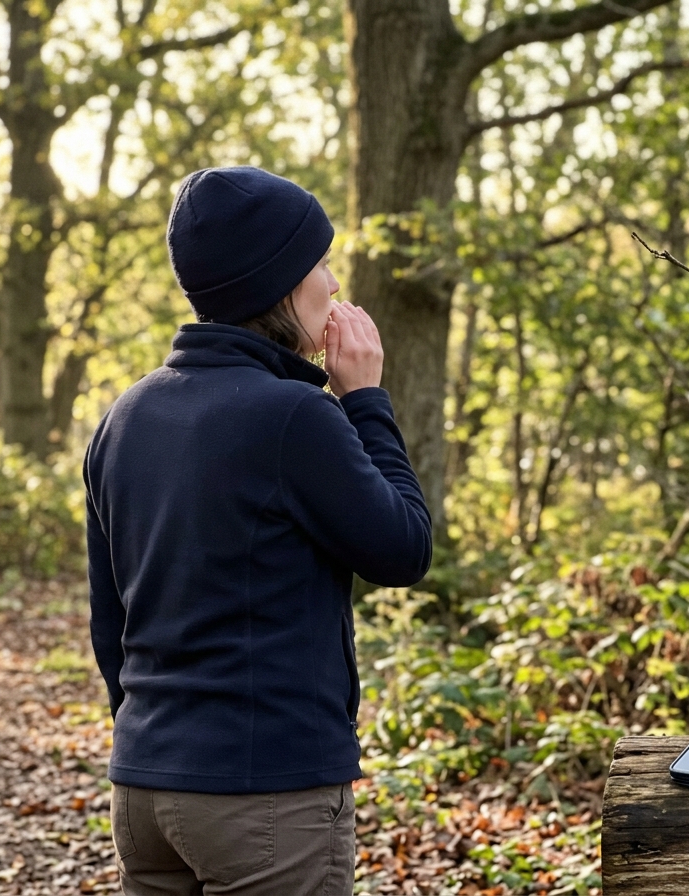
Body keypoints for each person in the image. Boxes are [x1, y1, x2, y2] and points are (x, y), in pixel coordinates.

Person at [84, 166, 432, 895]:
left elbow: (108, 621)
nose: (334, 284)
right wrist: (365, 400)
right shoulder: (294, 415)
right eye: (319, 265)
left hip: (143, 785)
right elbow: (403, 549)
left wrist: (159, 740)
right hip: (266, 794)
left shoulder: (124, 416)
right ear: (277, 284)